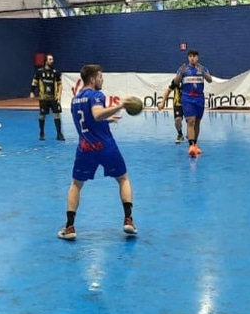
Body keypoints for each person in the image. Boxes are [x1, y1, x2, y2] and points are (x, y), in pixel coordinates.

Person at [57, 64, 137, 241]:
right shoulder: (96, 95)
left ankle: (69, 226)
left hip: (85, 148)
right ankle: (129, 220)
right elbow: (96, 114)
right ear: (92, 79)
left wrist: (107, 119)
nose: (102, 79)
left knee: (76, 185)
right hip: (105, 146)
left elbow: (86, 121)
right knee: (123, 179)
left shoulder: (75, 99)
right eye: (100, 76)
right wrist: (120, 105)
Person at [173, 49, 212, 157]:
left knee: (197, 122)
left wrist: (204, 73)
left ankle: (195, 144)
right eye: (190, 56)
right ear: (188, 58)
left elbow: (210, 80)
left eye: (194, 56)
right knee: (191, 121)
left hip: (199, 98)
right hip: (187, 98)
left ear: (198, 58)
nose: (192, 58)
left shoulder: (203, 68)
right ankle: (191, 145)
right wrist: (180, 73)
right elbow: (176, 82)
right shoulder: (183, 69)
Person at [29, 54, 65, 141]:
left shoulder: (56, 72)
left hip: (53, 98)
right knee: (42, 116)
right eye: (50, 59)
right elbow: (34, 82)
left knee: (57, 114)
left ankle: (59, 133)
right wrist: (32, 92)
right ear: (46, 61)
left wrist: (59, 95)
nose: (52, 61)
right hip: (43, 98)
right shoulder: (40, 72)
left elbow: (60, 84)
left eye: (52, 59)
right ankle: (41, 132)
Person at [156, 79, 185, 143]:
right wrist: (162, 102)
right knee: (177, 120)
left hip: (189, 103)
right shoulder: (177, 80)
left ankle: (191, 135)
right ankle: (180, 134)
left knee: (191, 120)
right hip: (178, 103)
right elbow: (168, 90)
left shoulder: (191, 79)